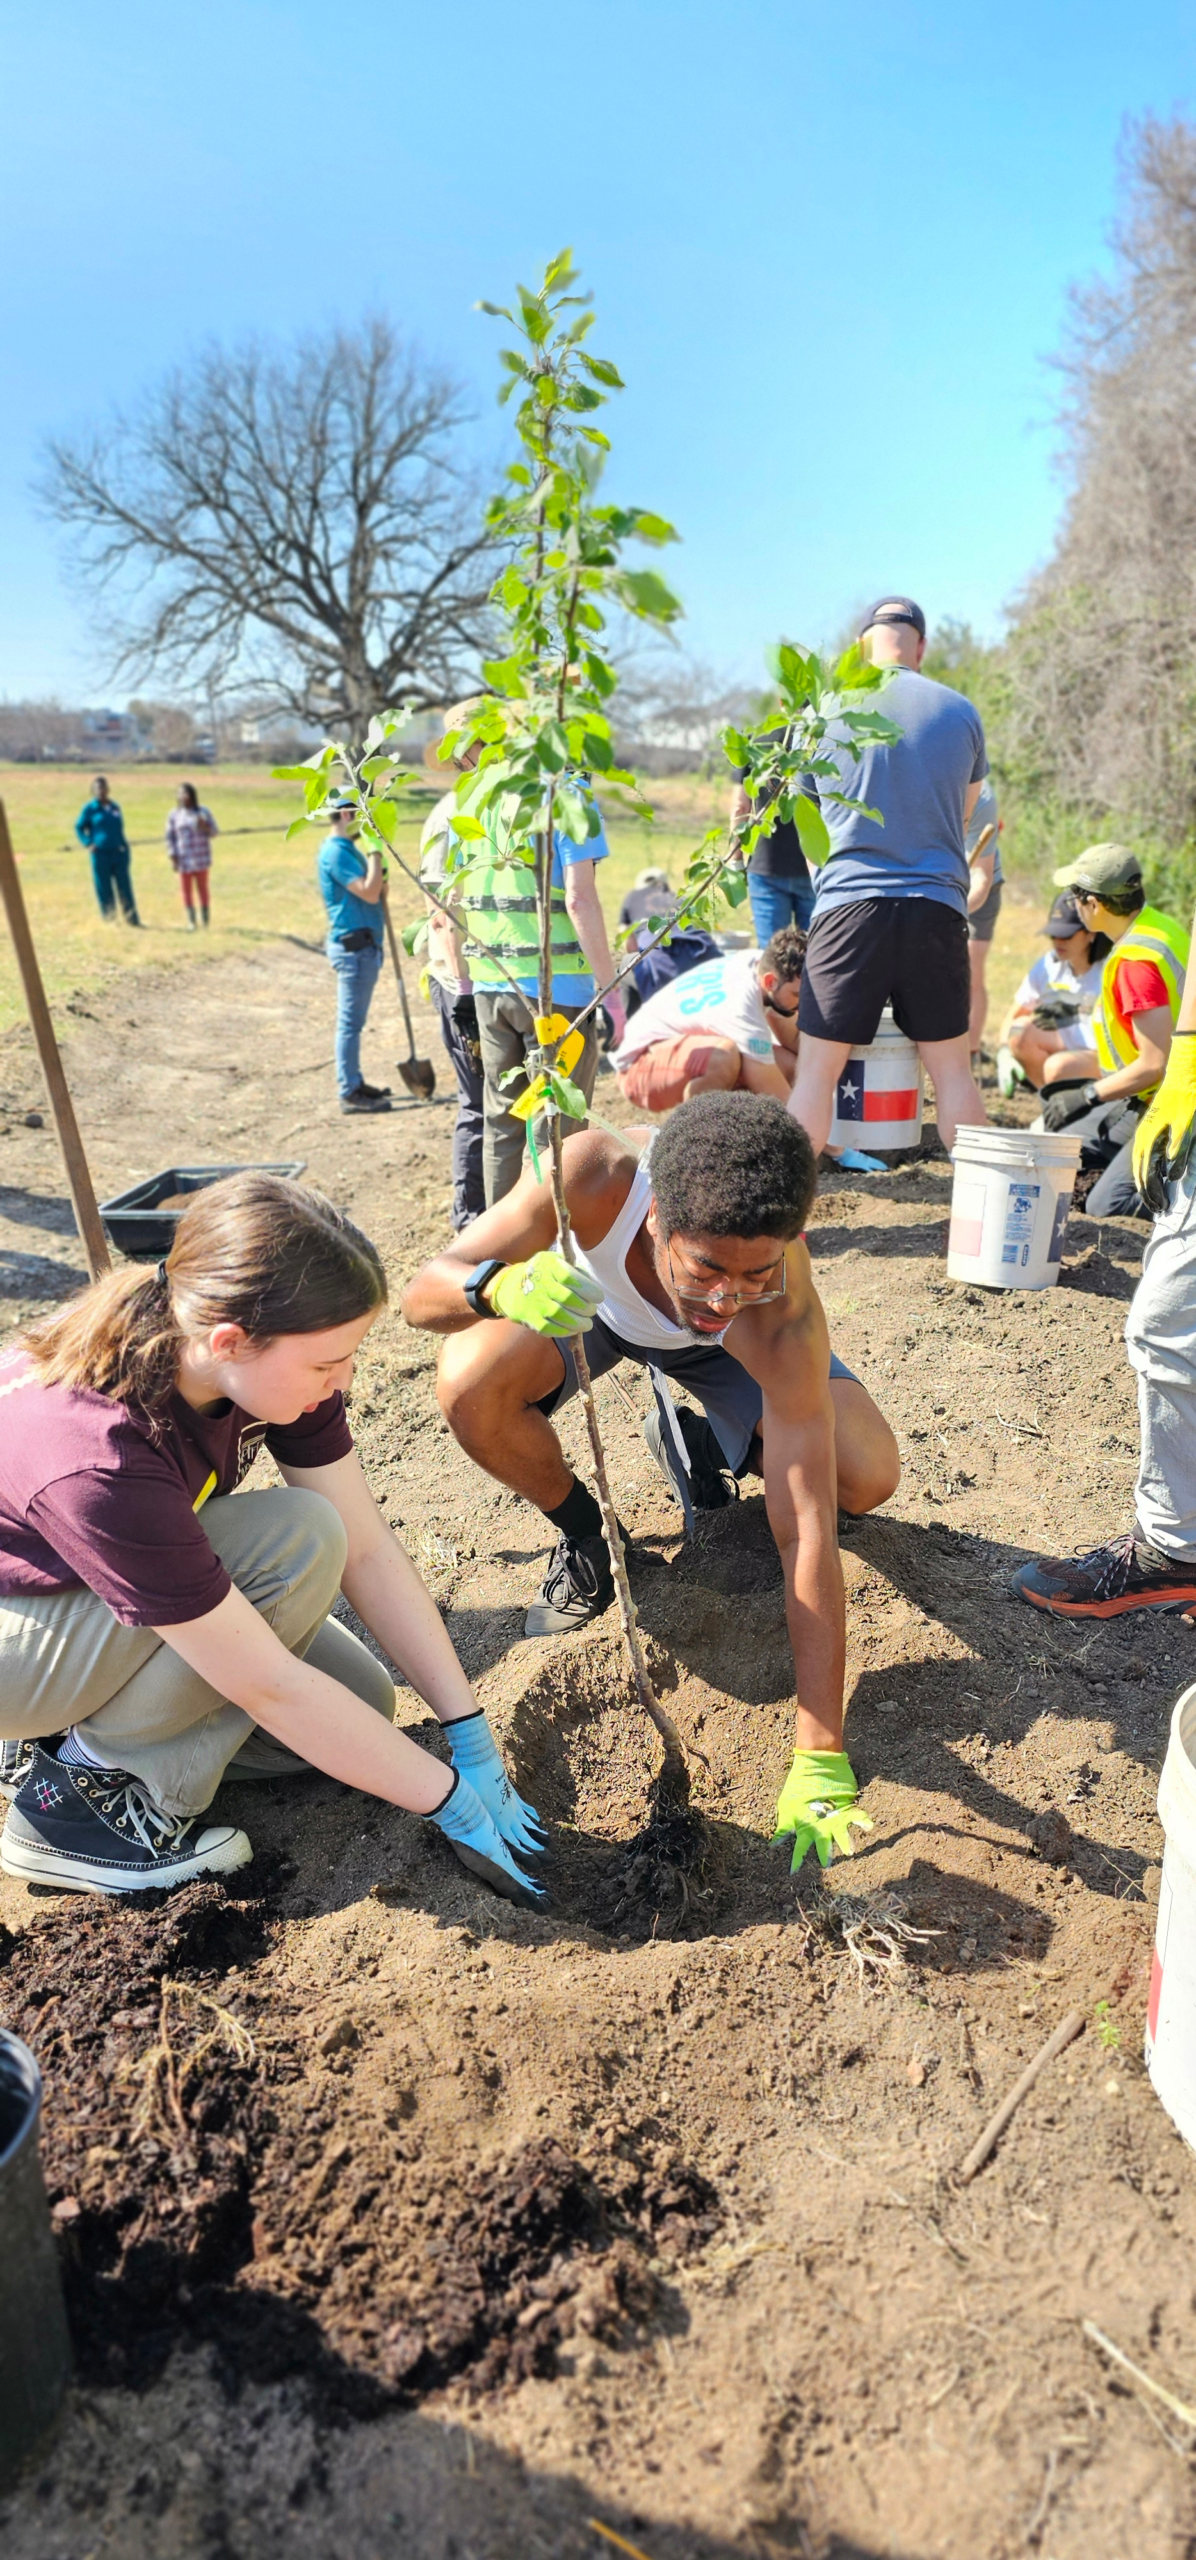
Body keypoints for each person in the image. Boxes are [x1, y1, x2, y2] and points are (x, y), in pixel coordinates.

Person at [0, 1175, 544, 1903]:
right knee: (292, 1542)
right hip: (15, 1638)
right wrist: (448, 1801)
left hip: (73, 1595)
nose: (342, 1380)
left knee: (361, 1701)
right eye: (326, 1364)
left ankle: (81, 1732)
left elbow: (367, 1548)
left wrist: (468, 1732)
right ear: (230, 1340)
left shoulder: (243, 1357)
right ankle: (77, 1805)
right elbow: (268, 1684)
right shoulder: (102, 1451)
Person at [401, 1095, 901, 1871]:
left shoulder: (776, 1308)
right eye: (707, 1267)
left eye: (756, 1271)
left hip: (724, 1355)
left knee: (864, 1478)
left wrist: (820, 1750)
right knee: (470, 1386)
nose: (726, 1295)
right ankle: (586, 1534)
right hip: (590, 1313)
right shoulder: (592, 1175)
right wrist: (498, 1288)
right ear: (658, 1218)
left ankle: (704, 1443)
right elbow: (421, 1293)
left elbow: (806, 1531)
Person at [1012, 905, 1196, 1617]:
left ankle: (1175, 1551)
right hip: (1163, 1097)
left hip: (1157, 1096)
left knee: (1167, 1326)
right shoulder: (1146, 939)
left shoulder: (1139, 956)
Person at [789, 596, 987, 1157]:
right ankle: (983, 1199)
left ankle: (783, 1209)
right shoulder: (961, 712)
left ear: (861, 646)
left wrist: (831, 887)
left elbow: (809, 832)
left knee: (815, 1075)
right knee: (953, 1074)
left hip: (848, 909)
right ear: (920, 646)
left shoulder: (820, 714)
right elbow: (964, 817)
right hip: (936, 908)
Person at [443, 699, 627, 1204]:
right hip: (557, 991)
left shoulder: (470, 797)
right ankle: (549, 1236)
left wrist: (464, 984)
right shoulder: (565, 790)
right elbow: (580, 898)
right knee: (558, 1126)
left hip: (492, 985)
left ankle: (501, 1239)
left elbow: (451, 899)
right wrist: (611, 993)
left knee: (502, 1122)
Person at [1037, 845, 1189, 1219]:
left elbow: (1153, 1065)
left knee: (1107, 1203)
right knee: (1057, 1150)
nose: (1073, 905)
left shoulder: (1137, 963)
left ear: (1094, 904)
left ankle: (1188, 1202)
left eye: (1076, 897)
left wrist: (1087, 1095)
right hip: (1152, 1095)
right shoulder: (1158, 925)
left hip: (1178, 1102)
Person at [611, 927, 805, 1111]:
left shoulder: (762, 965)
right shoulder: (742, 1007)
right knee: (723, 1059)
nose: (804, 1003)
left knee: (792, 1068)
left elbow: (795, 1040)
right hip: (638, 1066)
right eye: (798, 995)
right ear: (770, 982)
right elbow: (775, 1092)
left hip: (684, 1047)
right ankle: (694, 1129)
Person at [419, 779, 484, 1232]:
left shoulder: (488, 801)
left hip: (487, 980)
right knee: (478, 1103)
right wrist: (463, 986)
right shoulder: (452, 815)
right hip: (463, 982)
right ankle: (469, 1217)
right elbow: (442, 909)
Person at [316, 795, 392, 1116]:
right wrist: (375, 851)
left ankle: (354, 1081)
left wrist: (379, 867)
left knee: (354, 1023)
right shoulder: (336, 852)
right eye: (364, 816)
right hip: (354, 948)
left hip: (364, 945)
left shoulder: (348, 850)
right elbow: (370, 892)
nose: (368, 823)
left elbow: (379, 890)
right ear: (347, 815)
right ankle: (349, 1091)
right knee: (349, 1024)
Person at [996, 892, 1107, 1095]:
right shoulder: (1048, 965)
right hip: (1066, 1050)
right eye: (1053, 935)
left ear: (1091, 933)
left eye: (1066, 935)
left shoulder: (1109, 970)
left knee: (1057, 1067)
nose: (1058, 942)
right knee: (1019, 1032)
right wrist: (1004, 1052)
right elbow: (1013, 1017)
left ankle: (1087, 1102)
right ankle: (1050, 1100)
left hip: (1105, 1059)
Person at [729, 737, 816, 944]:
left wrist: (735, 860)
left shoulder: (755, 741)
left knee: (772, 954)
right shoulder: (818, 739)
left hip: (767, 866)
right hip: (814, 865)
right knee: (818, 951)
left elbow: (740, 807)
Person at [616, 868, 720, 1011]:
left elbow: (629, 941)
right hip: (704, 956)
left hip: (660, 962)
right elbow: (703, 929)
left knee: (626, 963)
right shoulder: (681, 899)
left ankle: (629, 1022)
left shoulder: (633, 897)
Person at [965, 776, 1003, 1059]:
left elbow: (981, 875)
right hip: (934, 877)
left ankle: (971, 1052)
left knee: (970, 966)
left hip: (978, 885)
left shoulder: (982, 798)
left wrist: (951, 910)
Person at [75, 777, 141, 927]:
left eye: (103, 787)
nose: (101, 791)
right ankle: (110, 918)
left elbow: (119, 828)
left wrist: (125, 847)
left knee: (124, 886)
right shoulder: (90, 809)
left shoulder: (115, 807)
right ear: (93, 791)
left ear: (108, 789)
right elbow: (79, 827)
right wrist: (88, 843)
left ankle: (132, 918)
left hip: (119, 852)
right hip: (100, 854)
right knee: (104, 887)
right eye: (97, 788)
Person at [166, 780, 218, 929]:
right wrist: (173, 856)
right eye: (180, 794)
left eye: (185, 793)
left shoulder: (203, 812)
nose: (183, 796)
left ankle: (205, 920)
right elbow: (170, 837)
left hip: (201, 857)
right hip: (184, 858)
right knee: (186, 890)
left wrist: (204, 826)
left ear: (192, 795)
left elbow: (214, 832)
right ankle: (191, 921)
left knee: (203, 889)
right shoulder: (174, 814)